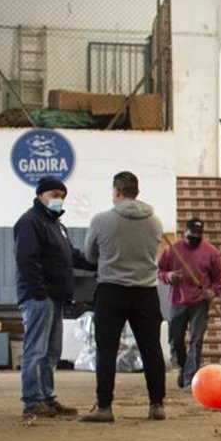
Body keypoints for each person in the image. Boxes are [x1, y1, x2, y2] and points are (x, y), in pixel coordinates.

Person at [81, 171, 168, 423]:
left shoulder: (101, 220)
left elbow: (90, 255)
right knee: (151, 349)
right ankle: (157, 405)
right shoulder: (155, 222)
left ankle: (105, 407)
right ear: (137, 193)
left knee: (106, 350)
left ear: (116, 191)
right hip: (146, 292)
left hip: (112, 290)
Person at [13, 175, 87, 420]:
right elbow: (27, 260)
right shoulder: (29, 222)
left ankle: (47, 397)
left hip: (54, 297)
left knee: (51, 352)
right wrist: (39, 293)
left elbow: (71, 255)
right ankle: (32, 400)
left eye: (62, 196)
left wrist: (98, 261)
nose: (59, 199)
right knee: (35, 350)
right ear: (40, 195)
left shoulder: (56, 225)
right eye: (54, 195)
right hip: (39, 298)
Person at [158, 217, 221, 391]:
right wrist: (169, 277)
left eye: (199, 233)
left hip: (199, 302)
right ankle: (184, 367)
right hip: (177, 301)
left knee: (196, 340)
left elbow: (220, 277)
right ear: (185, 232)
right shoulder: (171, 250)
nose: (195, 236)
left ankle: (190, 379)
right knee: (175, 340)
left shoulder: (210, 252)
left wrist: (213, 291)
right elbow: (159, 271)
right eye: (192, 233)